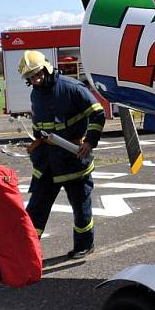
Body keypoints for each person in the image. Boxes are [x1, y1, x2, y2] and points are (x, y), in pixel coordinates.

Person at [19, 50, 105, 259]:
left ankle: (85, 245)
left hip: (72, 158)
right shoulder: (36, 92)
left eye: (37, 74)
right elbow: (39, 125)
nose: (35, 80)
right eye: (30, 77)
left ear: (46, 68)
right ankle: (26, 253)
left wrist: (90, 142)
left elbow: (98, 113)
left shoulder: (71, 88)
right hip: (47, 162)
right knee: (37, 208)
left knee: (80, 206)